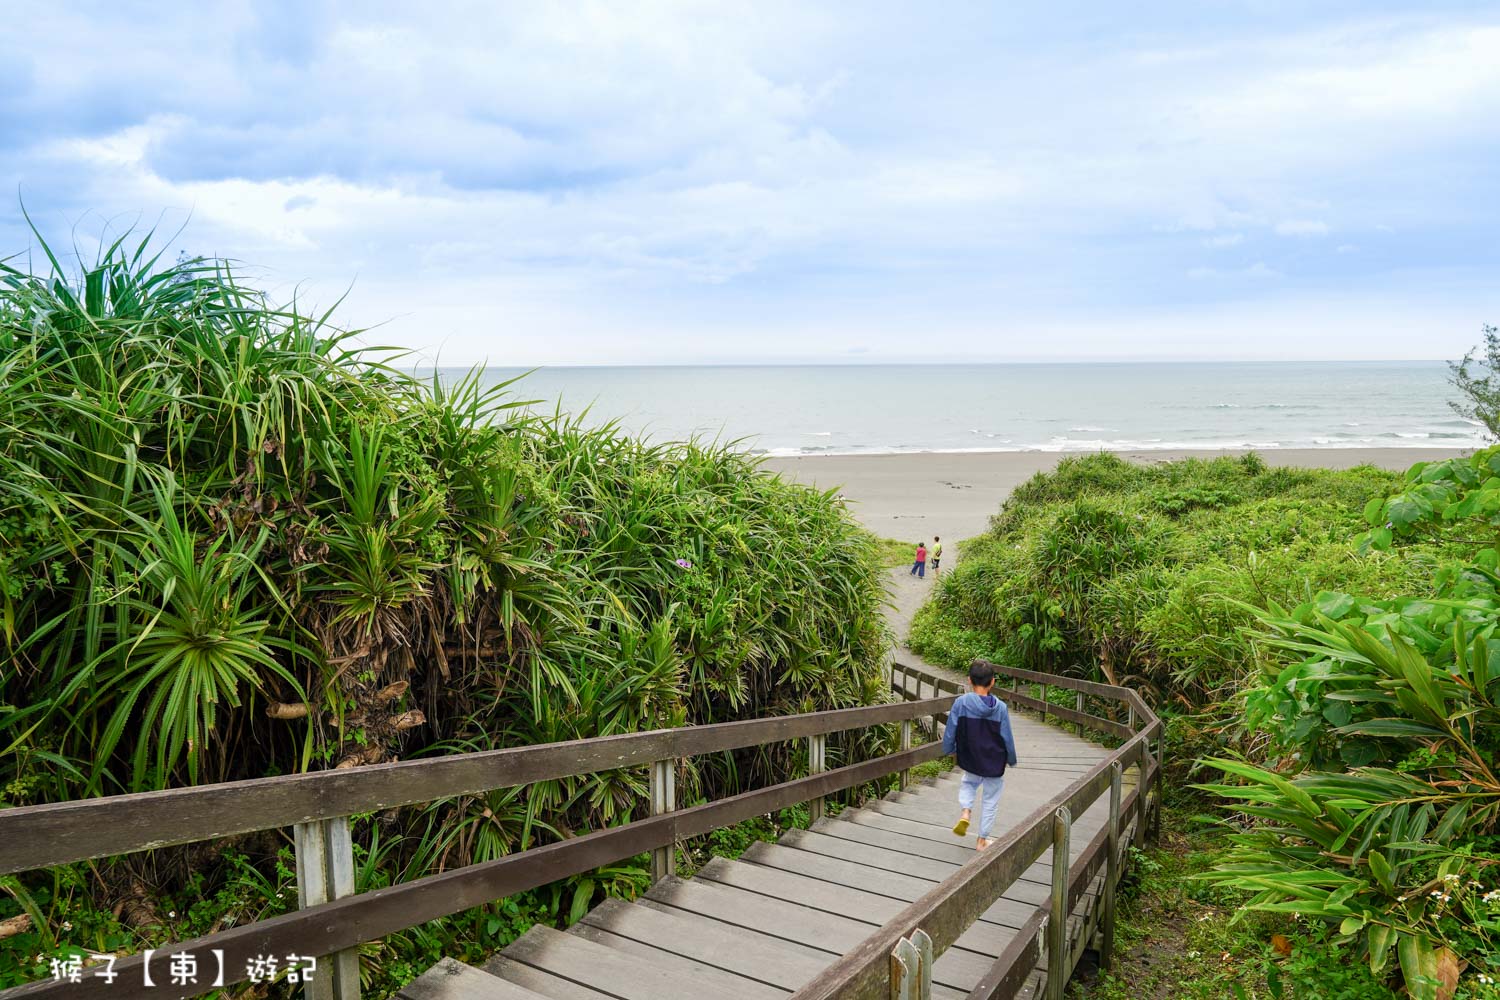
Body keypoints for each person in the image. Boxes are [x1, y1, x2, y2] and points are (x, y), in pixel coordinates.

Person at [942, 661, 1018, 850]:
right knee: (990, 800)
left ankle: (966, 812)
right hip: (994, 760)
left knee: (968, 783)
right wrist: (1011, 758)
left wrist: (949, 749)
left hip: (971, 757)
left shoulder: (962, 703)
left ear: (969, 680)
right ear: (992, 682)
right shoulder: (1000, 708)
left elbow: (951, 729)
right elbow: (1006, 736)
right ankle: (982, 840)